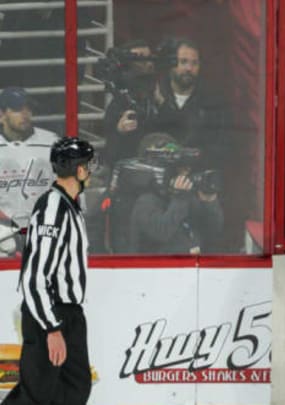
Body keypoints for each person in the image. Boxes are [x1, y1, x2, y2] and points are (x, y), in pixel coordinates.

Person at [1, 137, 95, 405]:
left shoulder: (69, 206)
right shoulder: (53, 208)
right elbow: (35, 276)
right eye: (87, 165)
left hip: (69, 315)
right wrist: (52, 328)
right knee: (39, 394)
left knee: (73, 389)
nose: (89, 171)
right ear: (78, 170)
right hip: (52, 315)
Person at [117, 133, 224, 254]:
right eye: (178, 167)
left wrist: (209, 203)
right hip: (158, 269)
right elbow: (162, 232)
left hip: (191, 264)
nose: (184, 171)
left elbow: (213, 229)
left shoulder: (185, 195)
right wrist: (180, 199)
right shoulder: (145, 201)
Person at [153, 37, 231, 170]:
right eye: (183, 62)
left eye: (194, 63)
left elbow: (222, 149)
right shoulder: (154, 97)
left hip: (196, 178)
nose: (189, 68)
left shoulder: (214, 103)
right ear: (171, 64)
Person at [0, 87, 59, 229]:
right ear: (2, 115)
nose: (25, 114)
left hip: (44, 227)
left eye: (28, 108)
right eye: (17, 109)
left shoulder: (51, 142)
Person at [102, 39, 159, 168]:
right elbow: (110, 156)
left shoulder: (159, 98)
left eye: (150, 59)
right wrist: (119, 132)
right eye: (140, 59)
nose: (149, 64)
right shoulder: (118, 106)